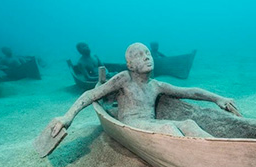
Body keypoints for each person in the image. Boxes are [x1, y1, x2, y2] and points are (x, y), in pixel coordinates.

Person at [51, 42, 239, 138]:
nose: (147, 57)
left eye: (148, 54)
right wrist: (67, 117)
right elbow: (92, 94)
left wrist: (218, 98)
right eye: (139, 56)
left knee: (189, 123)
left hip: (149, 123)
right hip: (131, 122)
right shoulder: (124, 78)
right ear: (130, 65)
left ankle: (219, 150)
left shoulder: (155, 85)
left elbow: (190, 91)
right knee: (168, 127)